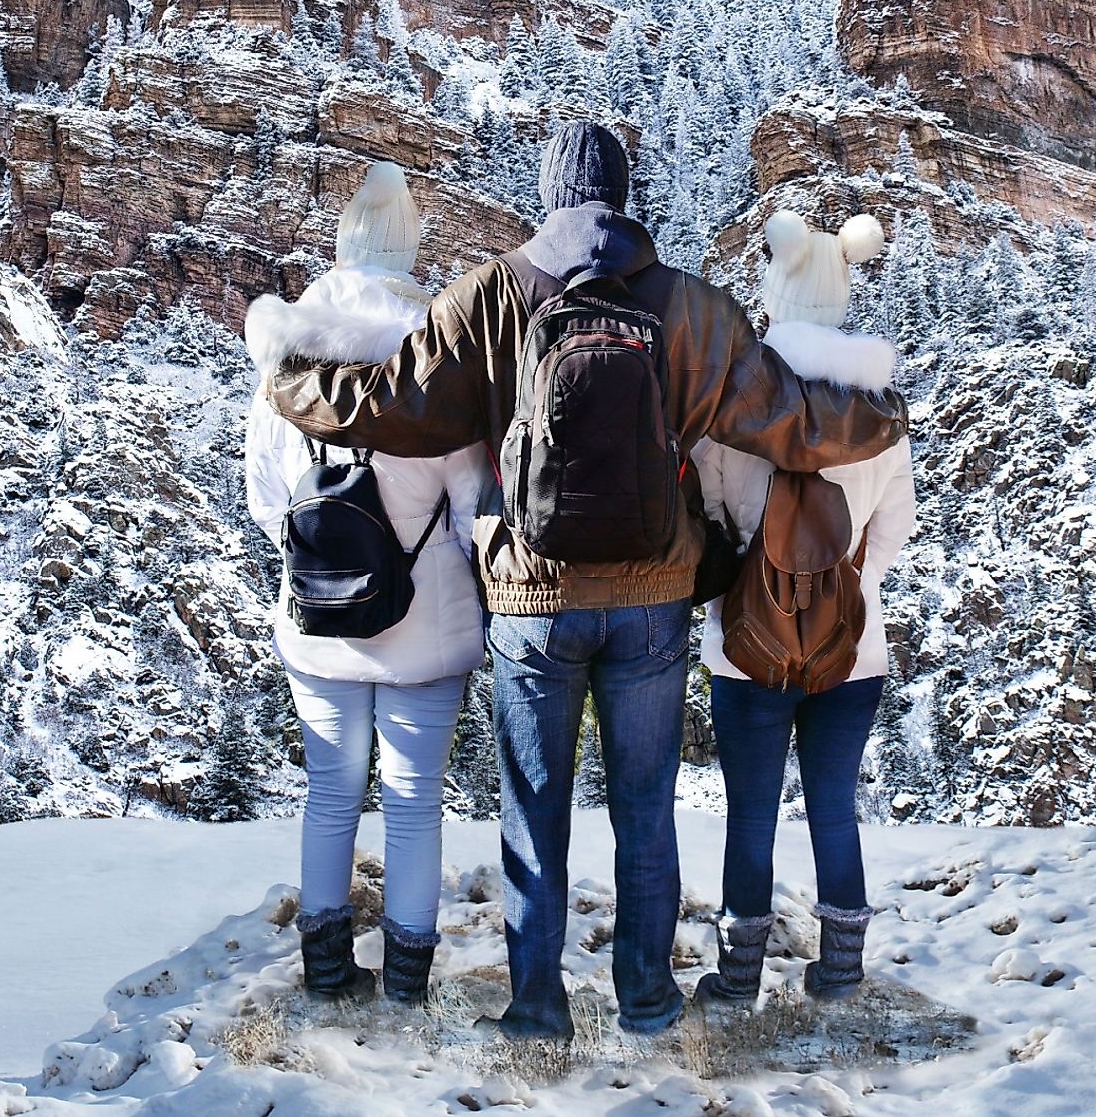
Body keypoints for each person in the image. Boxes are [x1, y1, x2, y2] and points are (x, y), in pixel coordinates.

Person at [261, 122, 906, 1041]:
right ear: (626, 195)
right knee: (646, 809)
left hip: (532, 596)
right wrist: (881, 409)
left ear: (550, 197)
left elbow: (392, 403)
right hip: (651, 596)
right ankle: (645, 998)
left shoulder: (489, 296)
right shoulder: (690, 304)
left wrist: (286, 374)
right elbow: (791, 421)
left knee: (534, 809)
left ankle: (537, 1010)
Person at [242, 162, 491, 1005]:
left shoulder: (286, 361)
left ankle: (325, 970)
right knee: (416, 804)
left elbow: (266, 502)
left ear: (342, 248)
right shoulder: (438, 361)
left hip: (318, 623)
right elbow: (471, 510)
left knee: (330, 795)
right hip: (426, 629)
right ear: (412, 249)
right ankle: (408, 985)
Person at [690, 209, 916, 1006]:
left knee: (750, 816)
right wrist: (847, 585)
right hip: (852, 650)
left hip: (746, 647)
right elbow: (895, 526)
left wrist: (747, 586)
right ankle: (842, 973)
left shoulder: (737, 407)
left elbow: (708, 510)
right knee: (834, 810)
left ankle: (738, 976)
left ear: (776, 292)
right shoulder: (883, 413)